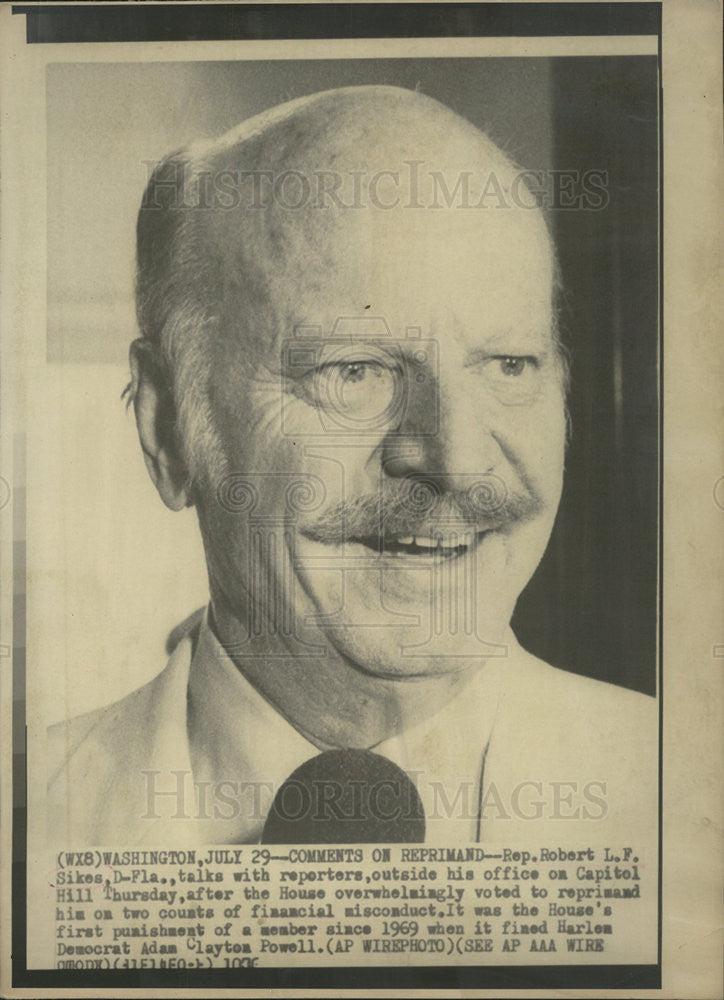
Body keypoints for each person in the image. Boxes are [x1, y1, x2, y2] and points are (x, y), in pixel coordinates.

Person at [47, 85, 656, 845]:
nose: (458, 462)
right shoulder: (30, 825)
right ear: (168, 427)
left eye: (508, 365)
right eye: (355, 372)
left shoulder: (687, 793)